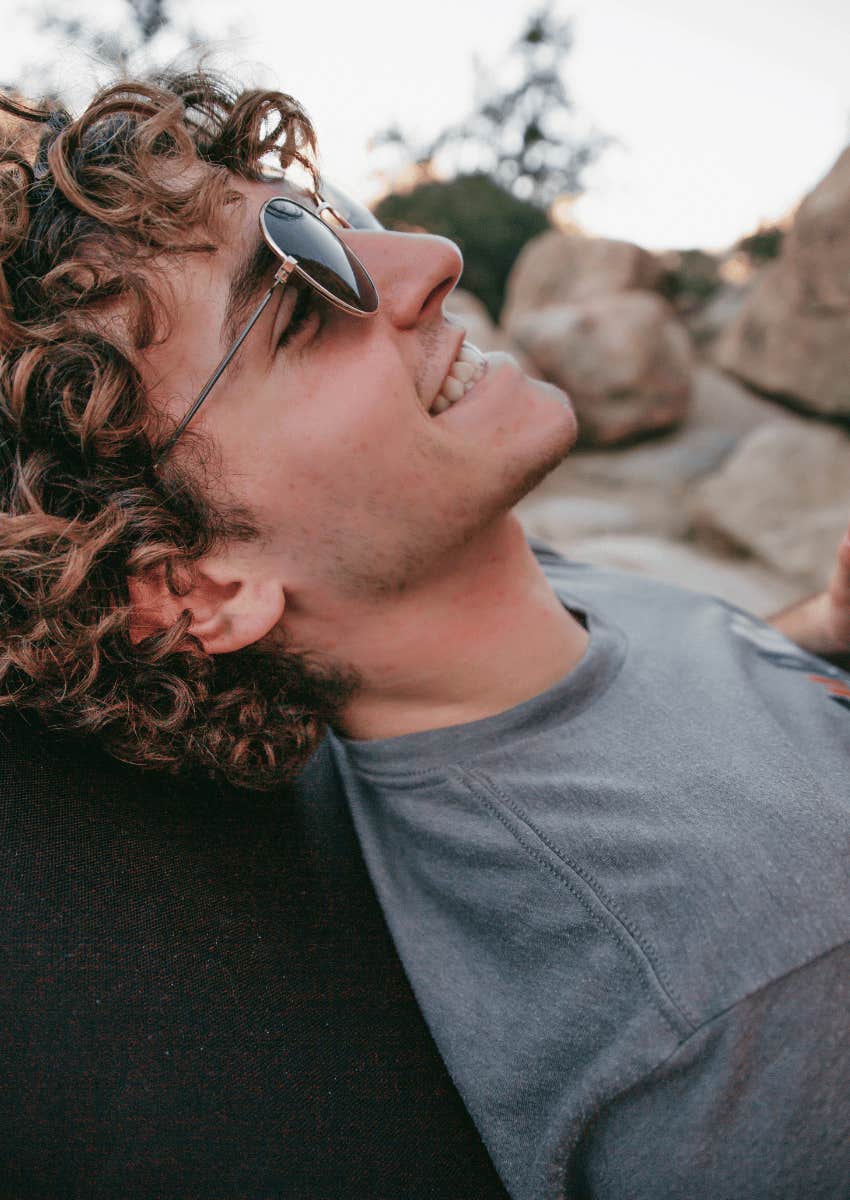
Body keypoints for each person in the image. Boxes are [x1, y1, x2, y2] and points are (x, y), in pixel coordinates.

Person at [1, 70, 848, 1199]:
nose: (430, 256)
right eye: (304, 298)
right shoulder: (753, 984)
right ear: (197, 588)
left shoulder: (483, 627)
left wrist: (815, 634)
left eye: (333, 219)